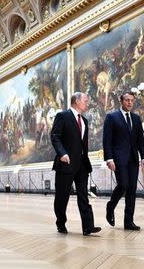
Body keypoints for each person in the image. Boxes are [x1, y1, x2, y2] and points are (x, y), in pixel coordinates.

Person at [50, 92, 101, 236]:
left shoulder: (84, 121)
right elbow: (55, 136)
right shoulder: (62, 116)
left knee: (83, 195)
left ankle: (88, 226)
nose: (87, 103)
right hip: (65, 163)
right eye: (85, 100)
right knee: (62, 196)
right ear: (77, 101)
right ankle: (61, 223)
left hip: (81, 165)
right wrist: (62, 153)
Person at [103, 91, 144, 230]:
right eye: (127, 100)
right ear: (121, 101)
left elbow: (140, 140)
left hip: (133, 159)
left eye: (131, 100)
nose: (129, 103)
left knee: (132, 190)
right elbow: (107, 140)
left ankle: (128, 222)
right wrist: (109, 158)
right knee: (123, 185)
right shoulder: (111, 117)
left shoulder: (136, 118)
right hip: (118, 158)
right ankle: (111, 206)